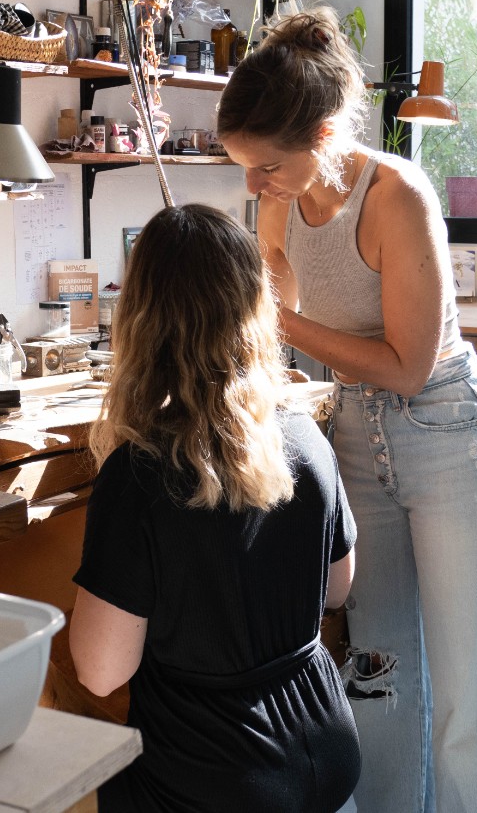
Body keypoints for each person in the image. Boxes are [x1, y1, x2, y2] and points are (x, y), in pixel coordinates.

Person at [216, 8, 477, 813]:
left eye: (264, 167)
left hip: (443, 432)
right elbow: (273, 308)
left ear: (323, 134)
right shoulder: (278, 199)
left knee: (472, 697)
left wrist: (277, 323)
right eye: (244, 169)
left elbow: (407, 364)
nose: (253, 185)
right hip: (354, 434)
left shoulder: (396, 196)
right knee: (380, 677)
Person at [69, 203, 361, 813]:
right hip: (324, 751)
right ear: (255, 309)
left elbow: (100, 672)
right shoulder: (305, 437)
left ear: (141, 321)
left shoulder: (139, 475)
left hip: (215, 779)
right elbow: (338, 589)